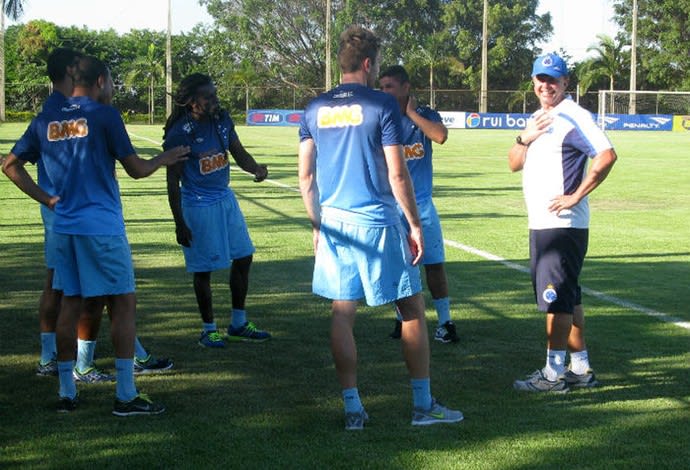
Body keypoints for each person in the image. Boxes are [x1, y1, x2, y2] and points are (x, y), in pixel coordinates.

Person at [3, 55, 189, 414]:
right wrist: (163, 159)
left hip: (65, 227)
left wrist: (47, 198)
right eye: (113, 81)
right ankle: (125, 395)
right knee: (122, 305)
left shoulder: (46, 119)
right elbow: (135, 169)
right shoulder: (105, 115)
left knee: (69, 305)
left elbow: (10, 165)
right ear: (101, 80)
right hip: (101, 228)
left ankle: (66, 393)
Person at [298, 25, 463, 430]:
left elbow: (305, 177)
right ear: (369, 63)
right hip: (378, 222)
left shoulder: (313, 108)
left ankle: (353, 409)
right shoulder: (382, 105)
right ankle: (422, 406)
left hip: (335, 222)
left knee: (342, 312)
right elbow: (398, 174)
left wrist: (317, 225)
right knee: (411, 309)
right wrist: (415, 224)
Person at [508, 53, 617, 392]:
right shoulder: (539, 117)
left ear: (566, 83)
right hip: (543, 223)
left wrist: (577, 195)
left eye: (553, 80)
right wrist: (525, 137)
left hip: (562, 224)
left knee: (556, 299)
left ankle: (553, 375)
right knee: (570, 298)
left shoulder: (573, 115)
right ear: (533, 82)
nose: (546, 85)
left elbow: (607, 154)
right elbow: (513, 163)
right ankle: (580, 368)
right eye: (541, 79)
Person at [164, 73, 271, 348]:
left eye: (215, 94)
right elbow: (173, 181)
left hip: (225, 199)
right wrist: (179, 222)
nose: (214, 100)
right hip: (198, 205)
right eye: (207, 97)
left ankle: (238, 323)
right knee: (204, 269)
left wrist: (256, 168)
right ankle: (208, 329)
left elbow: (239, 153)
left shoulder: (222, 119)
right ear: (191, 102)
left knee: (244, 256)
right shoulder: (180, 133)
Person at [379, 65, 458, 344]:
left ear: (405, 87)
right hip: (392, 205)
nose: (384, 91)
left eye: (389, 86)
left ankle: (445, 322)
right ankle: (402, 321)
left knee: (434, 265)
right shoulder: (380, 117)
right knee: (398, 265)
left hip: (422, 205)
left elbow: (440, 136)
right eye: (382, 86)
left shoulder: (424, 115)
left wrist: (411, 113)